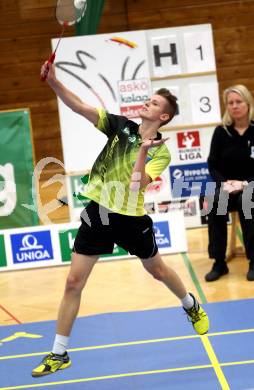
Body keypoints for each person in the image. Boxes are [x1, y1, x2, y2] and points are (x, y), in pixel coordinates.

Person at [32, 62, 209, 377]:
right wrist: (54, 82)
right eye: (149, 99)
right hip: (98, 211)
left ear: (163, 116)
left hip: (130, 219)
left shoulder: (162, 153)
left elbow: (135, 185)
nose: (147, 103)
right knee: (73, 282)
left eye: (154, 103)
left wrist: (143, 150)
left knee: (157, 270)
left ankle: (189, 303)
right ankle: (59, 353)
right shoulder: (119, 126)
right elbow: (79, 107)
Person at [205, 84, 254, 282]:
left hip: (250, 187)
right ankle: (219, 262)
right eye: (230, 103)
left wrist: (244, 184)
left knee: (248, 200)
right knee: (214, 200)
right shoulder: (221, 132)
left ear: (248, 103)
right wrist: (224, 184)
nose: (234, 106)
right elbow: (212, 164)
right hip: (227, 187)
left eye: (238, 102)